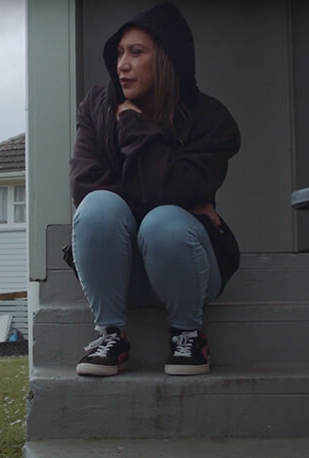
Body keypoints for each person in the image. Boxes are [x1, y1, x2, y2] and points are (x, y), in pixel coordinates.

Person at [68, 2, 241, 377]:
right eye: (119, 53)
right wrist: (181, 201)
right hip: (120, 275)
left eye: (136, 53)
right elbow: (83, 183)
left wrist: (133, 126)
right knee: (98, 206)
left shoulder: (211, 121)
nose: (122, 65)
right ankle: (111, 334)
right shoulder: (97, 107)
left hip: (184, 269)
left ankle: (188, 335)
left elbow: (172, 187)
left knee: (164, 223)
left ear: (166, 58)